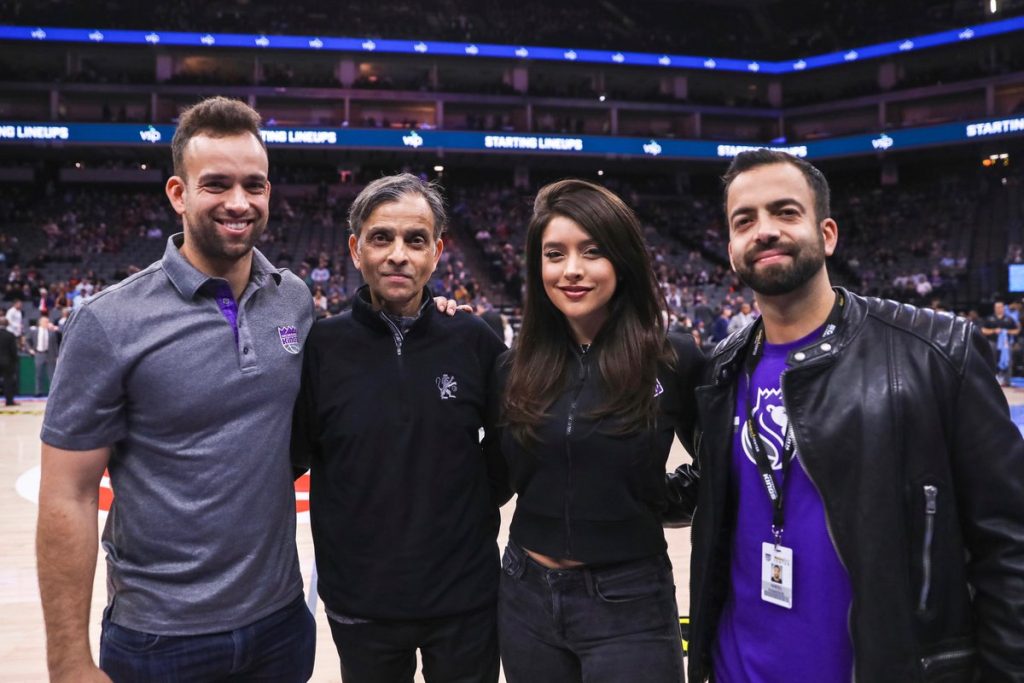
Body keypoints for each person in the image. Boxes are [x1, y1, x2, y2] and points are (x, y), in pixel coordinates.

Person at [684, 150, 1024, 682]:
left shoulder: (934, 352)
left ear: (828, 234)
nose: (764, 230)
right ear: (729, 249)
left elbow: (1010, 546)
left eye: (785, 212)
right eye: (744, 220)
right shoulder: (722, 369)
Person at [37, 96, 317, 683]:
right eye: (216, 184)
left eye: (255, 185)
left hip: (283, 624)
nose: (239, 203)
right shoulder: (109, 321)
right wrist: (67, 660)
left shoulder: (293, 298)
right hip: (159, 639)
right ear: (177, 193)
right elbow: (70, 494)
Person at [291, 173, 508, 683]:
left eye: (415, 240)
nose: (397, 255)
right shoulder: (321, 348)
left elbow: (509, 449)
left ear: (436, 252)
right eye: (381, 238)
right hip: (362, 603)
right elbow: (295, 456)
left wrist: (468, 505)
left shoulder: (473, 340)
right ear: (355, 248)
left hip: (465, 600)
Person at [492, 179, 704, 683]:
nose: (571, 271)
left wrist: (657, 499)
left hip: (630, 598)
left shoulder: (673, 359)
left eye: (592, 252)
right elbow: (493, 475)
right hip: (524, 595)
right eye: (554, 254)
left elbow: (721, 464)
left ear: (622, 260)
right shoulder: (511, 368)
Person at [981, 300, 1020, 386]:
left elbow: (1016, 331)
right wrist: (994, 331)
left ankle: (1007, 381)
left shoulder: (1009, 319)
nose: (999, 309)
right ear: (994, 308)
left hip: (1005, 344)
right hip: (993, 342)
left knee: (1008, 361)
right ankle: (992, 380)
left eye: (1000, 307)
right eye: (997, 307)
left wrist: (1006, 331)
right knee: (991, 360)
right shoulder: (989, 318)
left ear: (1003, 308)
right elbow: (983, 330)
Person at [29, 315, 60, 395]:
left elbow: (55, 344)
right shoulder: (34, 331)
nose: (47, 323)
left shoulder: (51, 332)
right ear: (40, 322)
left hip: (50, 355)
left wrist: (57, 356)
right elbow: (27, 340)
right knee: (39, 374)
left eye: (48, 321)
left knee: (52, 375)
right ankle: (38, 392)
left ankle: (52, 392)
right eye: (45, 322)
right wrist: (30, 349)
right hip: (39, 354)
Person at [0, 316, 18, 406]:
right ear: (7, 324)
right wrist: (15, 361)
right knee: (8, 382)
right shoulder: (10, 335)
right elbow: (13, 350)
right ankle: (9, 401)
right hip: (7, 362)